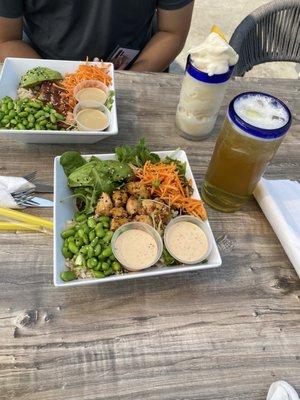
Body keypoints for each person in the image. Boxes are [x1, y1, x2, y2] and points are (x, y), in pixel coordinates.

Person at [0, 1, 194, 72]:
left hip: (134, 67)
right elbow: (6, 40)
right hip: (41, 63)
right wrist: (58, 83)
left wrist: (129, 78)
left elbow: (171, 32)